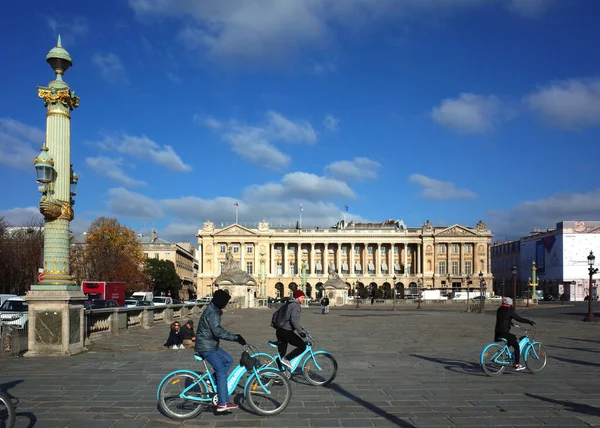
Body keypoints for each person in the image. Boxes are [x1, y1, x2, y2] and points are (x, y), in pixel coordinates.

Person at [195, 289, 246, 412]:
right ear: (220, 302)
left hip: (211, 345)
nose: (226, 304)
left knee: (228, 361)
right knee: (221, 371)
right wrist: (236, 337)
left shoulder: (213, 310)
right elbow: (217, 331)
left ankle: (209, 382)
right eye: (225, 302)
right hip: (206, 347)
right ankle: (223, 403)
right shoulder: (213, 313)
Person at [494, 297, 535, 371]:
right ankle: (517, 364)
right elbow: (519, 319)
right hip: (504, 332)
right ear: (509, 304)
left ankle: (504, 350)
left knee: (514, 337)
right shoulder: (509, 310)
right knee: (516, 347)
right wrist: (529, 321)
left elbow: (503, 318)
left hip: (497, 332)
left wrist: (512, 323)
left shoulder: (499, 309)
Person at [276, 290, 307, 369]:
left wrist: (300, 327)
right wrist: (300, 332)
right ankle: (287, 359)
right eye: (302, 297)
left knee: (281, 354)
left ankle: (278, 373)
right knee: (302, 346)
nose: (303, 299)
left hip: (280, 330)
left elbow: (290, 319)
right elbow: (294, 320)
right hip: (286, 331)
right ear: (297, 297)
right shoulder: (296, 306)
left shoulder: (289, 303)